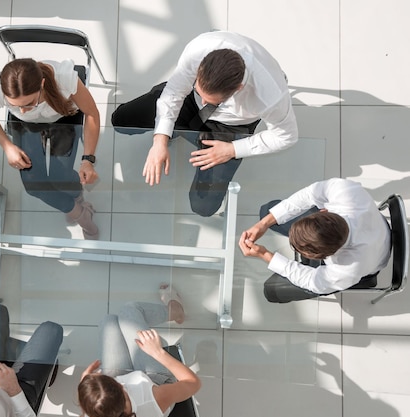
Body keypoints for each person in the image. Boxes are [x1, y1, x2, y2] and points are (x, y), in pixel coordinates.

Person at [111, 31, 298, 217]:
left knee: (204, 207)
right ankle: (179, 124)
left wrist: (232, 149)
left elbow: (286, 136)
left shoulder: (270, 95)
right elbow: (175, 92)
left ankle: (186, 126)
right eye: (202, 94)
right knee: (121, 120)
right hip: (188, 101)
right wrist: (159, 140)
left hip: (230, 127)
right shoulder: (198, 49)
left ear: (238, 88)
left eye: (211, 102)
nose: (204, 105)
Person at [0, 58, 100, 239]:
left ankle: (76, 197)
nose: (23, 110)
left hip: (64, 118)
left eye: (29, 103)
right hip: (26, 127)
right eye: (14, 105)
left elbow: (92, 113)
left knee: (60, 177)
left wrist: (88, 159)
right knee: (34, 186)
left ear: (42, 84)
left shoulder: (63, 79)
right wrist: (7, 145)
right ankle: (81, 214)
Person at [239, 178, 391, 303]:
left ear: (324, 258)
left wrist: (266, 256)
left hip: (371, 261)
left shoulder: (347, 268)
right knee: (267, 211)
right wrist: (263, 224)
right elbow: (307, 195)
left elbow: (312, 281)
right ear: (323, 211)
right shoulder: (344, 192)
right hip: (373, 229)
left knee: (272, 291)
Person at [76, 287, 201, 417]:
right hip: (155, 383)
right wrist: (158, 353)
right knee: (129, 310)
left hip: (122, 402)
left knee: (109, 322)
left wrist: (88, 391)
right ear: (122, 386)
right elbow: (193, 383)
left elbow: (96, 412)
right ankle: (175, 311)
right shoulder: (156, 398)